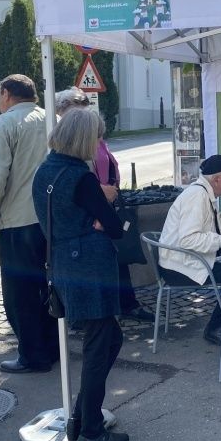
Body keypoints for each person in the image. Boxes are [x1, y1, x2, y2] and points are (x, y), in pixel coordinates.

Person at [32, 107, 129, 441]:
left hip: (63, 264)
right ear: (85, 139)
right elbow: (115, 227)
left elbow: (52, 220)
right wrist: (100, 221)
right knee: (99, 345)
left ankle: (80, 417)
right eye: (97, 136)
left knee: (106, 339)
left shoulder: (45, 170)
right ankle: (89, 432)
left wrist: (92, 222)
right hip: (90, 268)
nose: (99, 142)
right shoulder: (82, 177)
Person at [0, 74, 59, 374]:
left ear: (7, 93)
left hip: (19, 221)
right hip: (52, 220)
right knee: (49, 288)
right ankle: (52, 348)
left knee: (19, 294)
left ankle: (33, 356)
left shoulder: (4, 125)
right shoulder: (53, 120)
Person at [55, 87, 154, 323]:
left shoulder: (95, 138)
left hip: (105, 206)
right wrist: (100, 192)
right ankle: (91, 314)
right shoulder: (66, 143)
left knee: (117, 257)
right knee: (96, 263)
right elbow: (70, 179)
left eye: (84, 109)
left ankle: (126, 303)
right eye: (77, 111)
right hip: (87, 212)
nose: (84, 116)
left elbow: (106, 164)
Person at [158, 154, 221, 344]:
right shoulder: (197, 196)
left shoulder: (201, 193)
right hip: (178, 266)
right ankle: (216, 327)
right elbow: (188, 239)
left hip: (185, 259)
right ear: (217, 179)